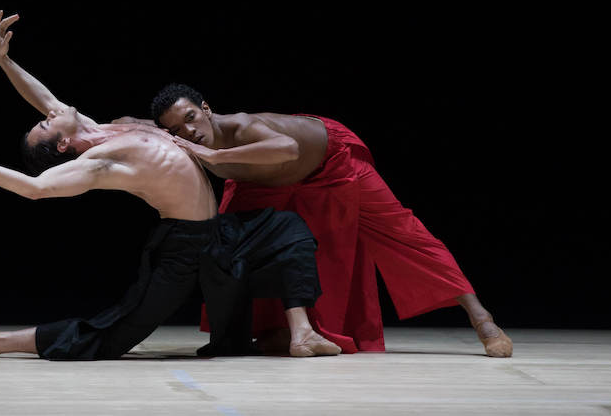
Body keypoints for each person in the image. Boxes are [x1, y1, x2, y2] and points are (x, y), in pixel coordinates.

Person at [0, 12, 341, 360]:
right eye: (45, 122)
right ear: (62, 144)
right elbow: (34, 187)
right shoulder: (97, 162)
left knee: (289, 230)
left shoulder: (101, 129)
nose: (50, 111)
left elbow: (43, 97)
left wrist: (4, 62)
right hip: (184, 247)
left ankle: (302, 332)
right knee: (115, 334)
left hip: (217, 234)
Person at [142, 83, 512, 358]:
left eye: (190, 118)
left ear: (205, 108)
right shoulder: (182, 137)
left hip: (332, 164)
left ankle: (482, 319)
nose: (187, 132)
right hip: (262, 181)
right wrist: (87, 134)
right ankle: (271, 331)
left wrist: (214, 157)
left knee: (403, 231)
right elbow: (124, 122)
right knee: (225, 244)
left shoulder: (242, 126)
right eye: (176, 130)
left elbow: (288, 148)